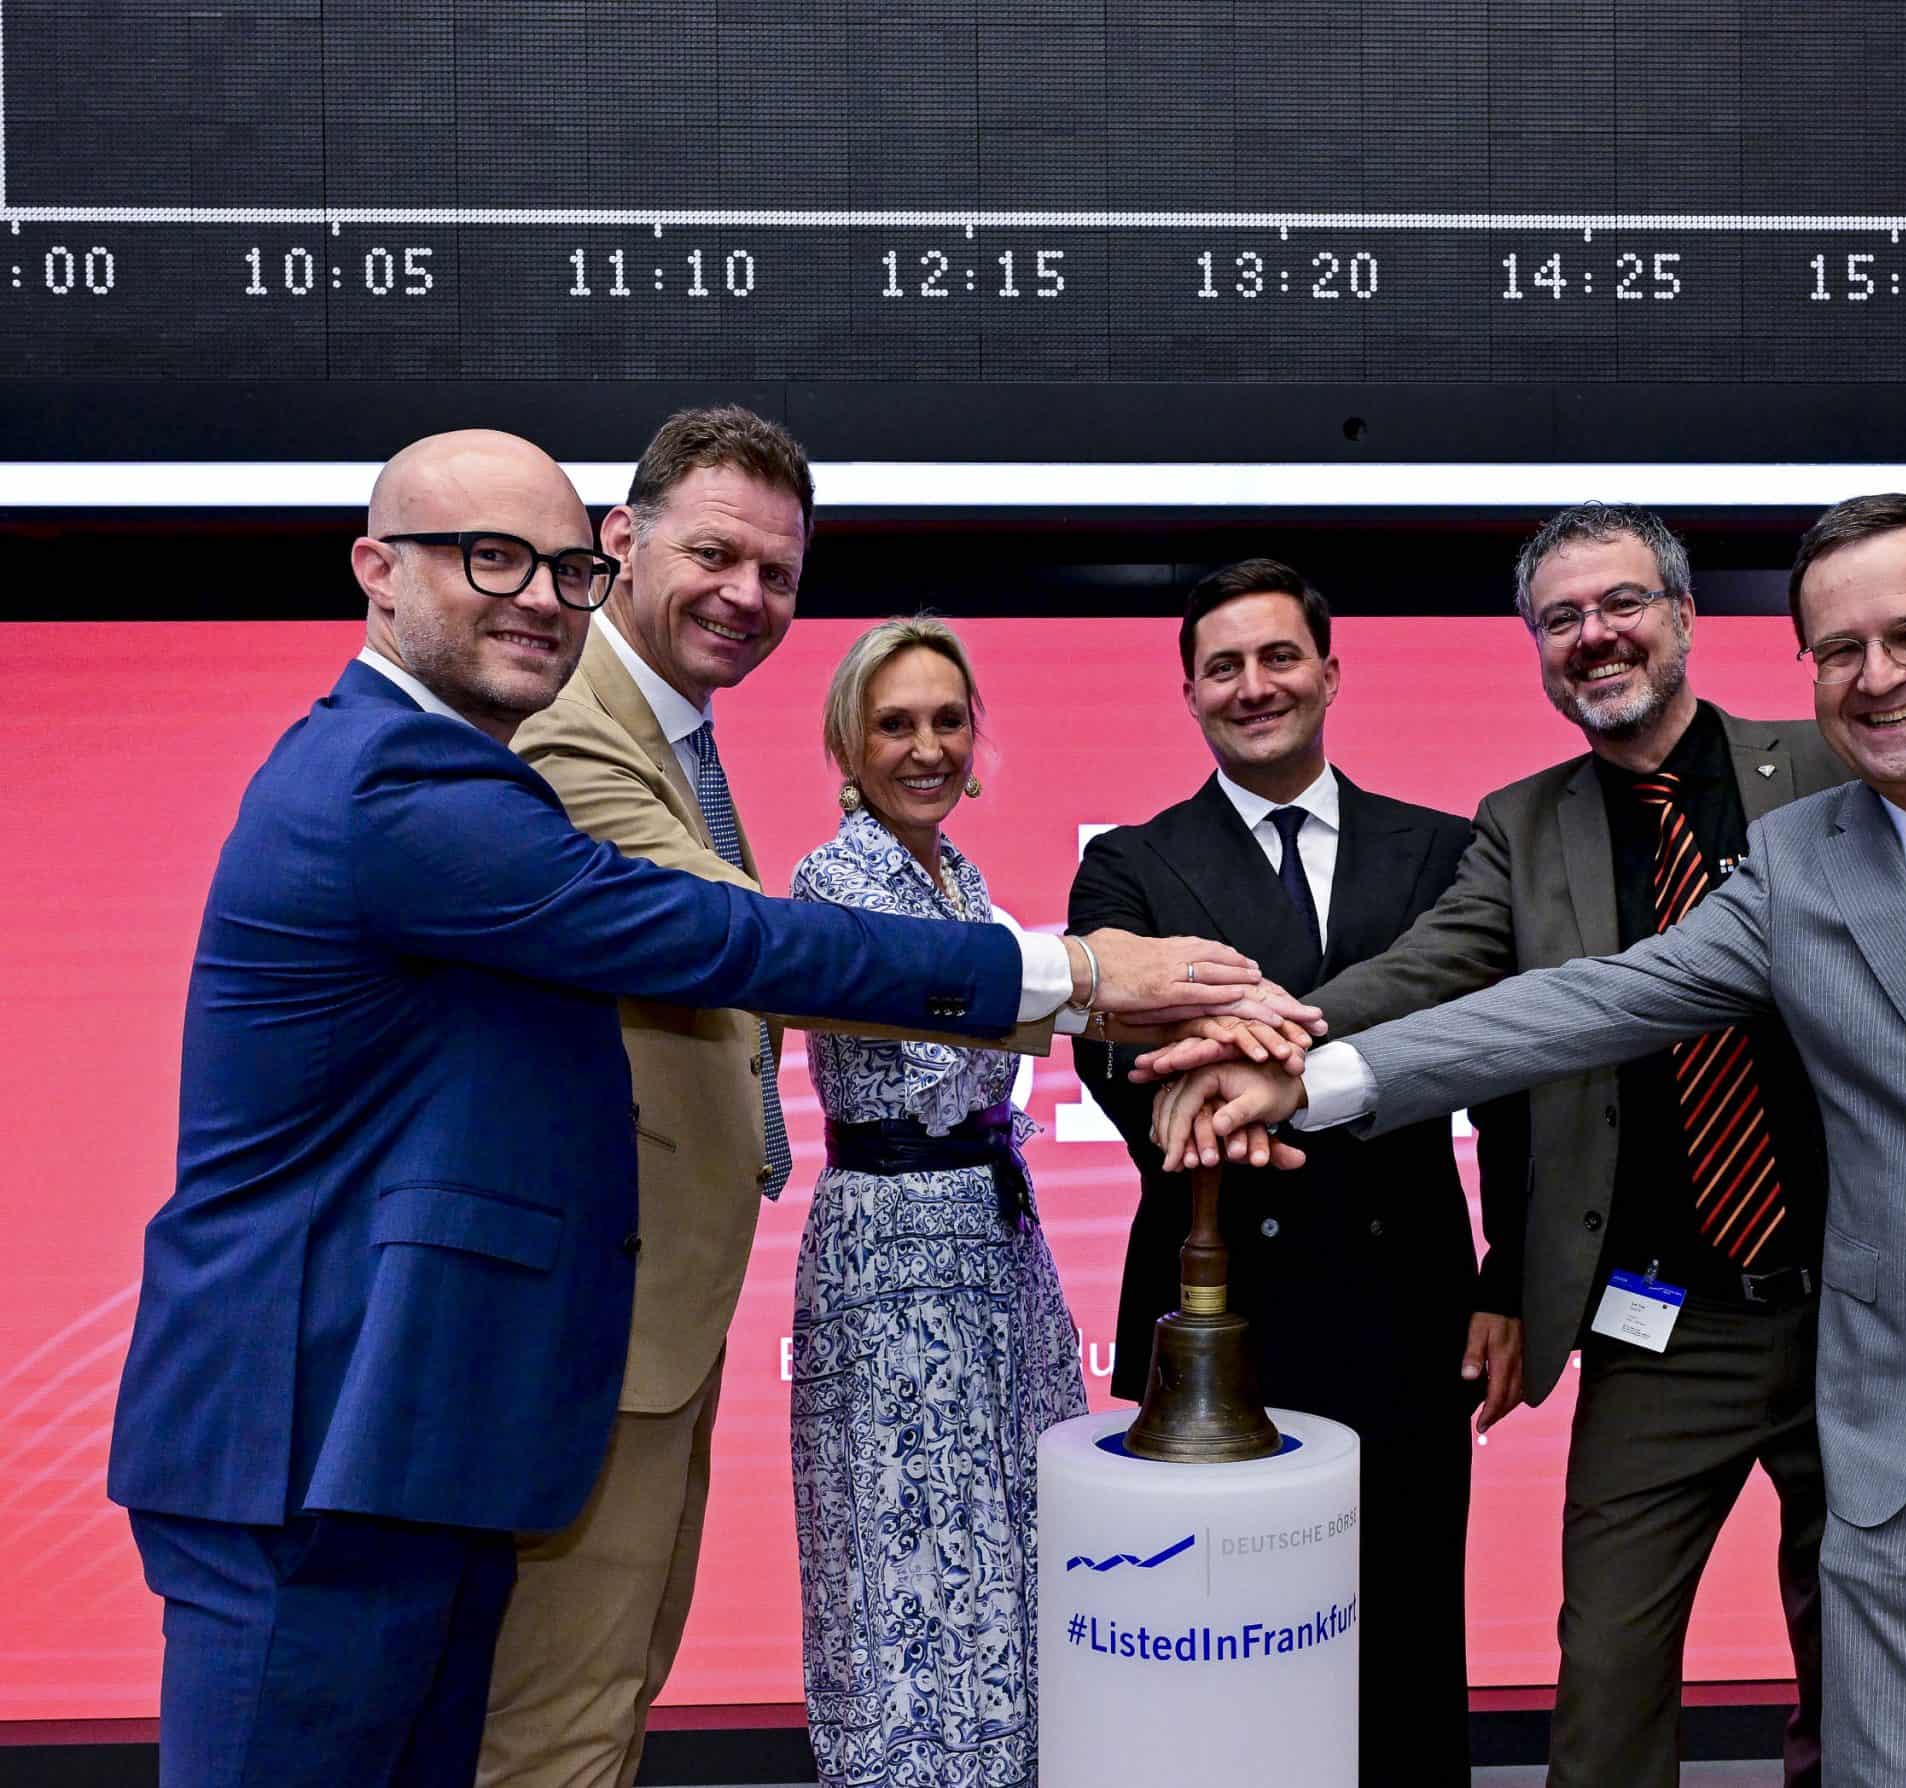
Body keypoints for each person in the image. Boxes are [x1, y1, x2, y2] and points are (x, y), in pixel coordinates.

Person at [105, 428, 1271, 1788]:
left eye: (557, 566)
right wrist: (1072, 972)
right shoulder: (399, 783)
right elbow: (727, 943)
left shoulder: (463, 764)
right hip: (308, 1442)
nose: (537, 596)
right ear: (376, 569)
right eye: (488, 559)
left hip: (415, 1434)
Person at [1153, 494, 1906, 1788]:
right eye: (1838, 651)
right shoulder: (1796, 862)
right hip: (1903, 1427)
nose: (1879, 677)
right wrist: (1314, 1075)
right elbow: (1592, 1000)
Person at [1138, 508, 1849, 1786]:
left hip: (1865, 1306)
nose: (1595, 637)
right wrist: (1278, 1048)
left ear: (1684, 615)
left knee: (1866, 1668)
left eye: (1621, 605)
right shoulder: (1521, 826)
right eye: (1561, 620)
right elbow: (1430, 977)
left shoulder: (1827, 767)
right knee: (1607, 1682)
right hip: (1661, 1319)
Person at [1066, 558, 1521, 1784]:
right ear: (1189, 693)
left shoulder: (1447, 853)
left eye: (1278, 657)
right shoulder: (1129, 867)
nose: (1253, 686)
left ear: (1329, 670)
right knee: (1220, 1635)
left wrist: (1512, 1279)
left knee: (1410, 1630)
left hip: (1410, 1298)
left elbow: (1512, 1072)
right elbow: (1126, 1067)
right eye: (1223, 666)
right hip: (1218, 1300)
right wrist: (1223, 1101)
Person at [478, 406, 817, 1788]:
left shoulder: (678, 737)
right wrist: (1071, 978)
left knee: (606, 1701)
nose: (748, 596)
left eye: (781, 574)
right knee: (553, 1732)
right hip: (589, 1322)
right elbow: (741, 939)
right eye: (716, 553)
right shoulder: (569, 727)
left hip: (656, 1319)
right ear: (620, 541)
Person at [790, 618, 1087, 1788]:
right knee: (902, 1557)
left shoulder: (956, 873)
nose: (927, 748)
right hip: (893, 1248)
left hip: (986, 1237)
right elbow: (933, 1053)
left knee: (1002, 1537)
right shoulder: (836, 878)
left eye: (947, 720)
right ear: (846, 748)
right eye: (895, 724)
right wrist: (1098, 988)